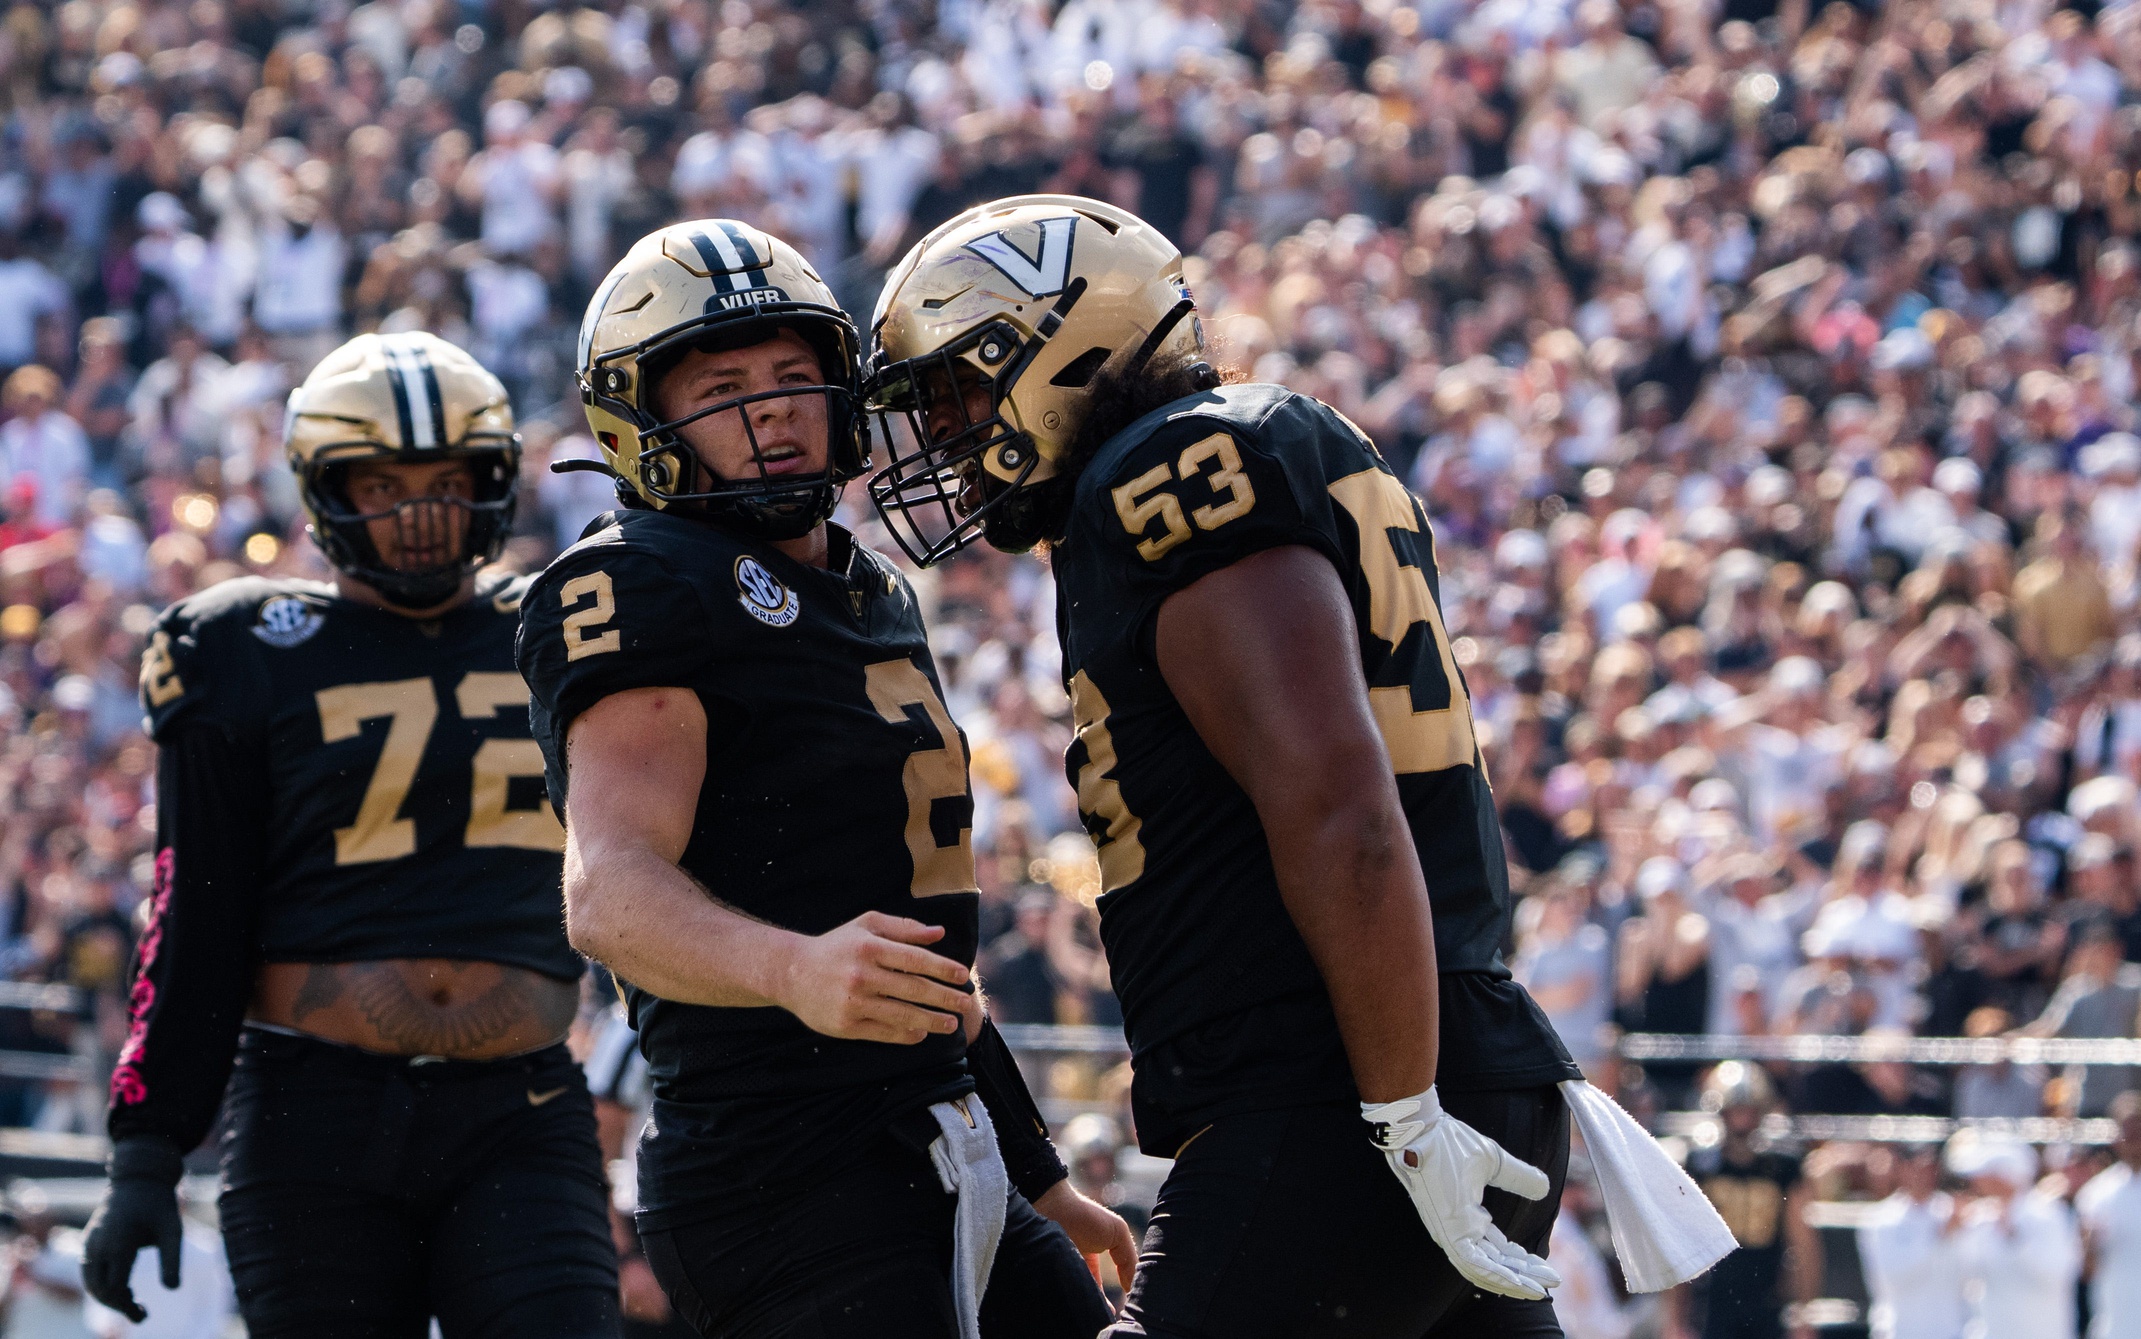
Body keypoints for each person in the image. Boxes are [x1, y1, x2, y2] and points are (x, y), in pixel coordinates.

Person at [866, 193, 1576, 1336]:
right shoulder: (1240, 452)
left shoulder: (1173, 470)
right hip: (1427, 1053)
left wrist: (1400, 1110)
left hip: (1340, 1084)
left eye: (959, 388)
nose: (945, 434)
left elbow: (1339, 809)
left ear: (1065, 345)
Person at [517, 218, 1126, 1339]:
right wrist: (788, 966)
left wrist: (1035, 1171)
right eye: (724, 389)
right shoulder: (640, 579)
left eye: (794, 377)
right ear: (640, 422)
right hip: (778, 1173)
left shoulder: (871, 588)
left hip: (933, 1137)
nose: (774, 412)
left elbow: (918, 956)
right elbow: (607, 892)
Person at [79, 332, 618, 1338]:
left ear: (493, 481)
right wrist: (147, 1146)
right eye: (383, 484)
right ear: (325, 489)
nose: (420, 512)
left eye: (447, 481)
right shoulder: (240, 643)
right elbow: (196, 909)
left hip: (521, 1107)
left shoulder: (563, 623)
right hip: (309, 1110)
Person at [1671, 1064, 1818, 1339]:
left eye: (1748, 1111)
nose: (1741, 1121)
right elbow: (1680, 1242)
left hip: (1766, 1300)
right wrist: (1675, 1320)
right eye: (1735, 1111)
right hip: (1712, 1302)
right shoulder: (1700, 1166)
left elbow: (1803, 1243)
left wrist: (1803, 1312)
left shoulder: (1781, 1168)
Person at [1946, 1134, 2081, 1339]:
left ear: (2004, 1177)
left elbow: (2057, 1273)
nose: (1977, 1181)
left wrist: (2014, 1237)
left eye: (1986, 1174)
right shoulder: (1982, 1218)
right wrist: (1953, 1232)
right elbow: (1964, 1277)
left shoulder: (2047, 1215)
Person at [1856, 1145, 1966, 1339]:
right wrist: (1940, 1237)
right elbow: (1893, 1277)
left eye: (1930, 1167)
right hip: (1901, 1332)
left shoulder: (1955, 1212)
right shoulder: (1880, 1220)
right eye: (1916, 1167)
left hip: (1951, 1333)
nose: (1924, 1175)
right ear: (1901, 1169)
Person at [2078, 1093, 2141, 1339]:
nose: (2134, 1141)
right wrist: (2089, 1247)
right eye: (2128, 1133)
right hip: (2116, 1324)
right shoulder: (2096, 1194)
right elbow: (2087, 1270)